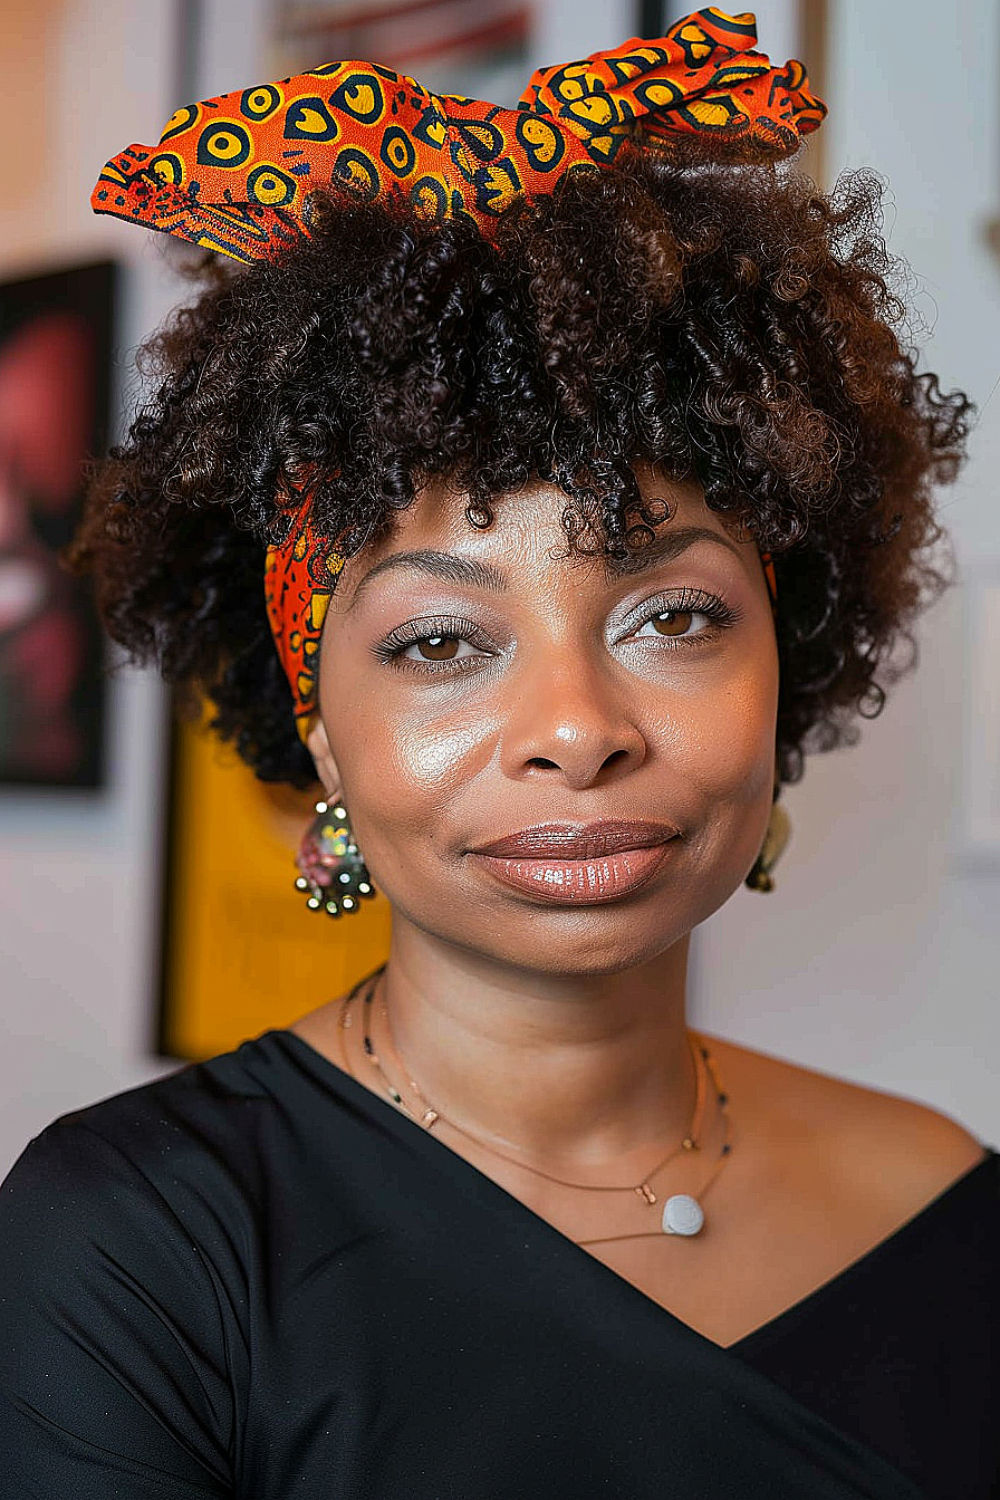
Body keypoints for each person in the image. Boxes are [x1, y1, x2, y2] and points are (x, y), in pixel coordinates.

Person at [1, 8, 996, 1497]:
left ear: (787, 663)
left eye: (671, 614)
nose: (579, 731)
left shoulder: (950, 1201)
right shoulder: (138, 1243)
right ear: (319, 727)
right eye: (442, 642)